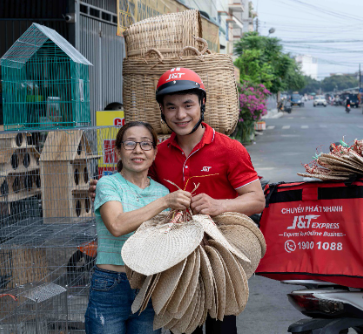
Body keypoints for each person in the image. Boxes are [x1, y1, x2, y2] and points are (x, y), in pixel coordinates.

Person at [90, 68, 266, 334]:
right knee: (183, 329)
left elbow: (256, 200)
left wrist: (220, 205)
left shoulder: (229, 149)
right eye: (171, 107)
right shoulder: (158, 153)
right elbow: (139, 183)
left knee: (223, 328)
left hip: (219, 261)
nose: (180, 115)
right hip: (175, 263)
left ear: (202, 104)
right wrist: (106, 187)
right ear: (162, 110)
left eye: (188, 105)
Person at [85, 121, 192, 334]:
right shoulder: (108, 184)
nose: (137, 150)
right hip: (110, 285)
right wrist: (164, 203)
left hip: (149, 286)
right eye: (130, 144)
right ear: (118, 151)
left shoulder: (161, 191)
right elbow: (117, 225)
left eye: (145, 144)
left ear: (154, 152)